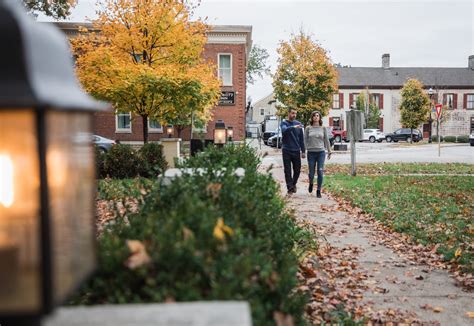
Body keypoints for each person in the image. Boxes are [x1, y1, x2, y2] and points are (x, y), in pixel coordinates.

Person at [304, 111, 332, 198]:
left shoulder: (323, 128)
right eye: (314, 116)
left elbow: (326, 140)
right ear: (312, 117)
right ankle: (311, 183)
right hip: (311, 153)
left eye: (317, 116)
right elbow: (305, 140)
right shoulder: (308, 128)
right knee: (311, 173)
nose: (316, 117)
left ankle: (319, 190)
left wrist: (329, 150)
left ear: (319, 118)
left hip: (321, 152)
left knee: (320, 171)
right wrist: (304, 150)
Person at [280, 108, 305, 195]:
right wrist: (293, 127)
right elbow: (284, 130)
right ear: (288, 113)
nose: (294, 115)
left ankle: (293, 184)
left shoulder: (298, 124)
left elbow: (301, 139)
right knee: (287, 170)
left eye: (295, 114)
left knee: (297, 170)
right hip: (286, 150)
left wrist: (303, 151)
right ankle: (290, 188)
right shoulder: (284, 123)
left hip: (296, 150)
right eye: (292, 113)